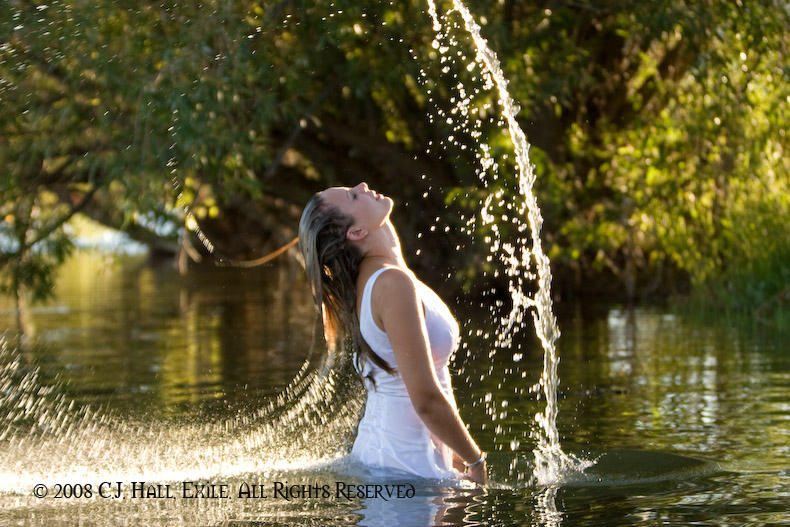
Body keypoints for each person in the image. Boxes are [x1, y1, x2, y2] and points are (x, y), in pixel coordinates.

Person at [298, 182, 487, 485]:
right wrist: (476, 460)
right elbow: (424, 398)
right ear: (357, 233)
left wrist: (453, 453)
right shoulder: (390, 283)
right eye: (353, 196)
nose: (362, 185)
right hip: (405, 471)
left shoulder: (383, 277)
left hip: (398, 466)